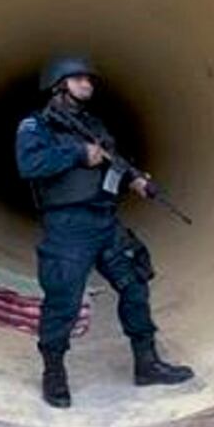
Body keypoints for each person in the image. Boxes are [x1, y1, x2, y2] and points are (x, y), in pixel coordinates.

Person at [15, 54, 194, 408]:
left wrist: (136, 180)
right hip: (68, 227)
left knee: (135, 285)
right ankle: (53, 374)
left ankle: (147, 364)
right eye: (79, 79)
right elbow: (30, 165)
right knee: (62, 303)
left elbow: (114, 160)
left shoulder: (94, 125)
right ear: (58, 85)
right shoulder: (36, 126)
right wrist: (78, 154)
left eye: (89, 80)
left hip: (104, 221)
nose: (88, 84)